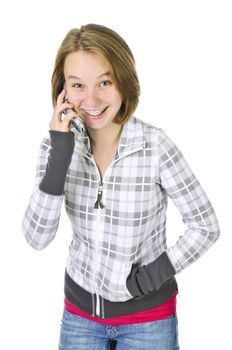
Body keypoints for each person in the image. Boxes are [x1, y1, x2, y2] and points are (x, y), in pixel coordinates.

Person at [22, 23, 220, 350]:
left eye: (104, 82)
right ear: (64, 92)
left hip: (148, 322)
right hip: (80, 319)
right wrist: (61, 151)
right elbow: (36, 238)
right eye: (77, 85)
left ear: (123, 81)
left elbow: (205, 226)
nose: (92, 99)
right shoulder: (56, 148)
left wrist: (147, 281)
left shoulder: (155, 146)